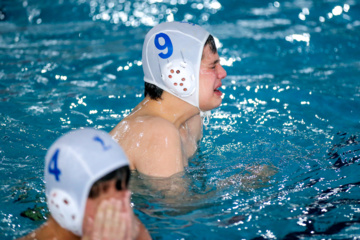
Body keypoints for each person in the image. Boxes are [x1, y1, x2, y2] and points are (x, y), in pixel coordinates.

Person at [110, 21, 227, 178]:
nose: (223, 73)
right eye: (213, 66)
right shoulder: (158, 133)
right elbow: (179, 202)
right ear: (179, 75)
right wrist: (244, 185)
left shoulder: (191, 120)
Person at [18, 128, 151, 240]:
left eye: (121, 188)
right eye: (103, 201)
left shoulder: (122, 222)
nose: (120, 206)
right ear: (65, 203)